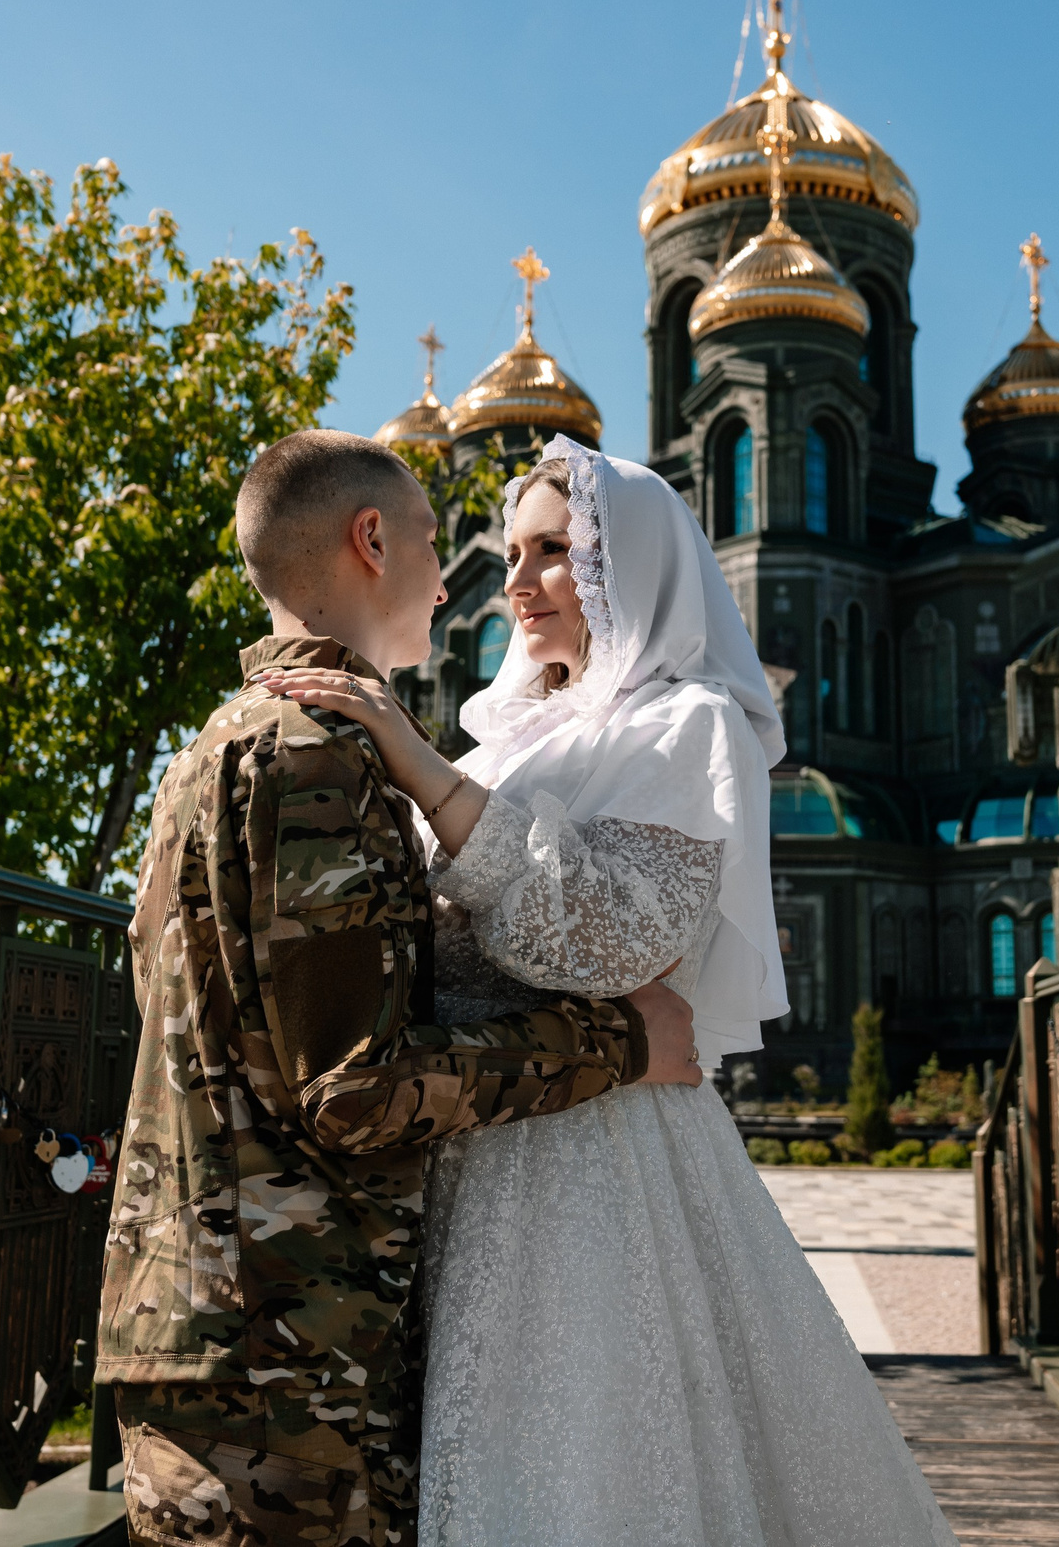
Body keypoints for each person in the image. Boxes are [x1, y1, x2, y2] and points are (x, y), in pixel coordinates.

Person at [257, 435, 958, 1547]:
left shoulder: (688, 724)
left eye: (556, 552)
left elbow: (612, 939)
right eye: (513, 552)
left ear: (628, 562)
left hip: (597, 1158)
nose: (519, 581)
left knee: (589, 1465)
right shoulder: (502, 739)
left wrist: (416, 765)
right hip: (467, 1139)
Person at [103, 428, 704, 1547]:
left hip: (221, 1321)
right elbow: (355, 1088)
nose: (456, 578)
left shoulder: (211, 750)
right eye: (438, 543)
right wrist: (618, 1042)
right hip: (283, 1349)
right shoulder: (317, 754)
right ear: (371, 540)